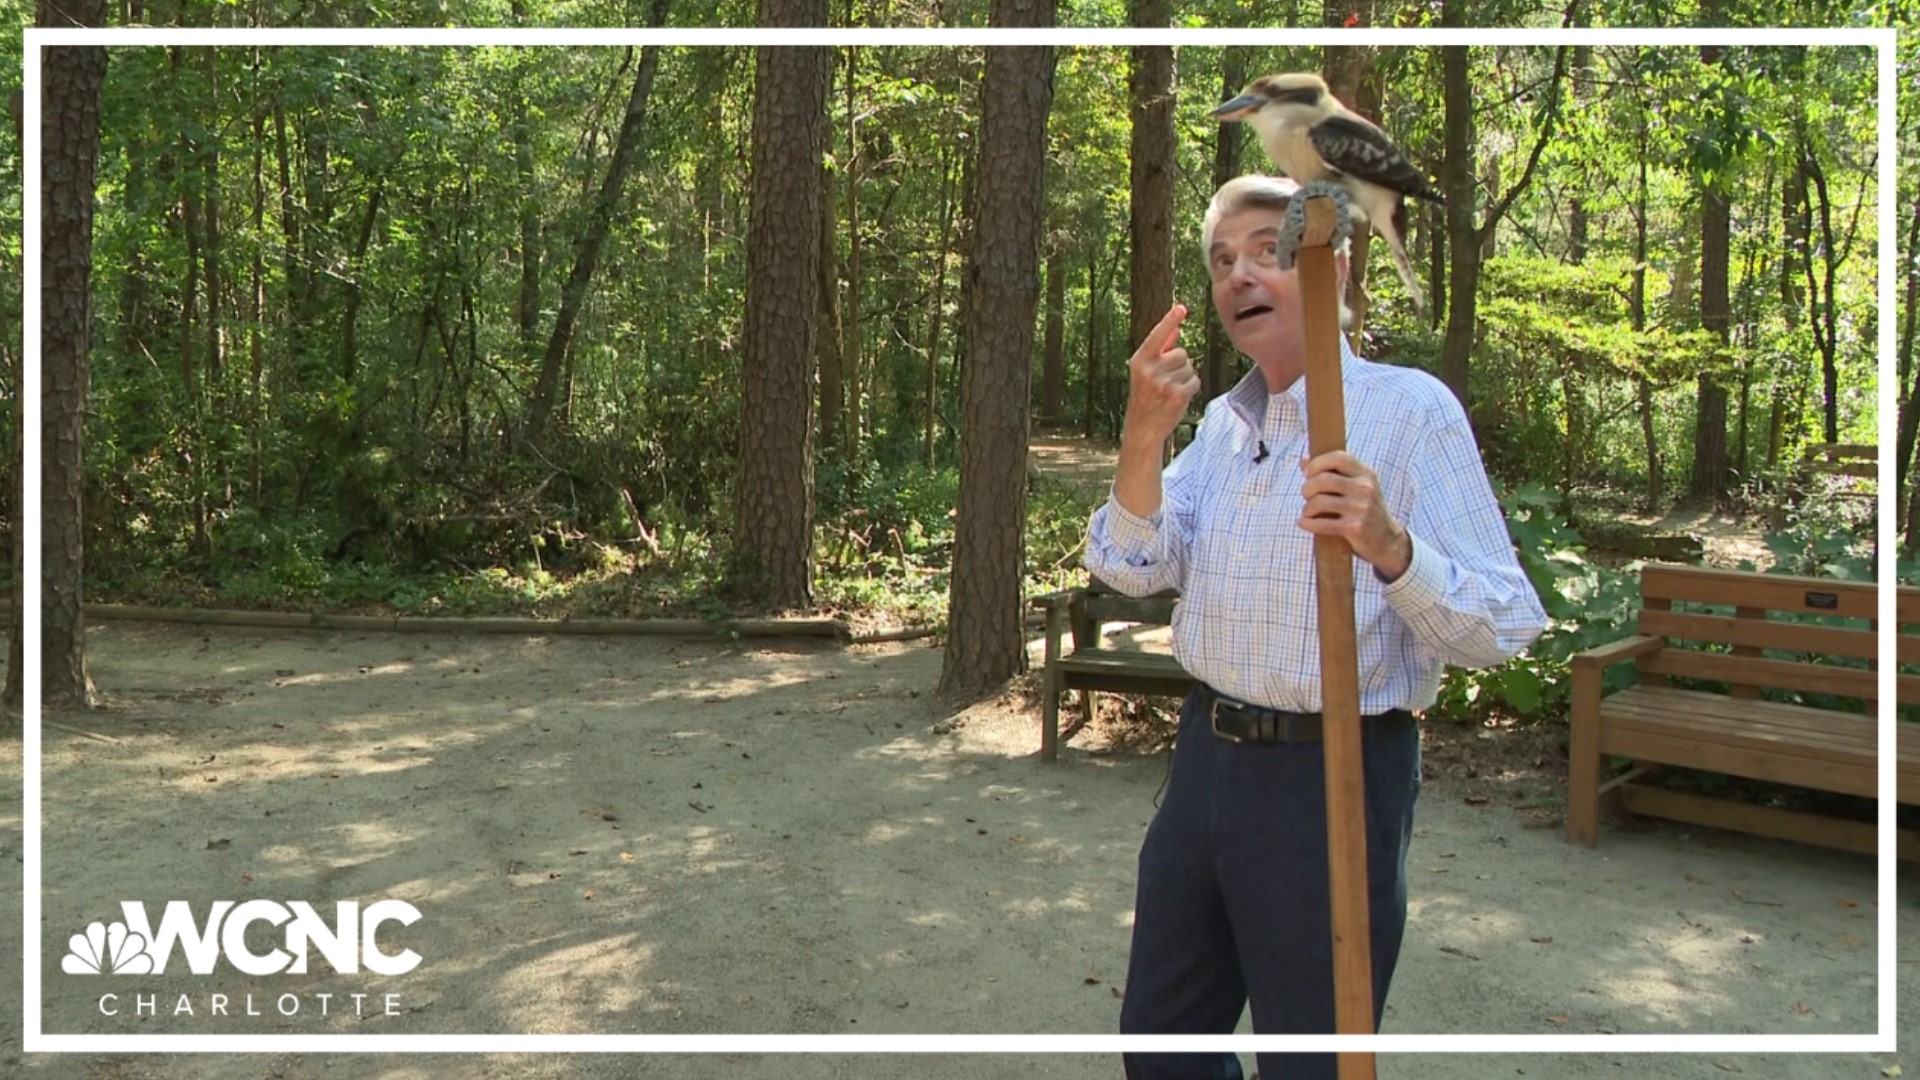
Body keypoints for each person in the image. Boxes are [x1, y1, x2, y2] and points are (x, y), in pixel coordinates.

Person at [1087, 174, 1548, 1079]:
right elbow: (1132, 564)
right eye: (1222, 261)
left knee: (1313, 1061)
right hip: (1204, 766)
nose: (1238, 277)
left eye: (1267, 251)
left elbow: (1504, 621)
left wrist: (1391, 547)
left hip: (1332, 773)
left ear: (1332, 266)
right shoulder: (1221, 425)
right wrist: (1144, 437)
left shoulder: (1409, 413)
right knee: (1161, 1044)